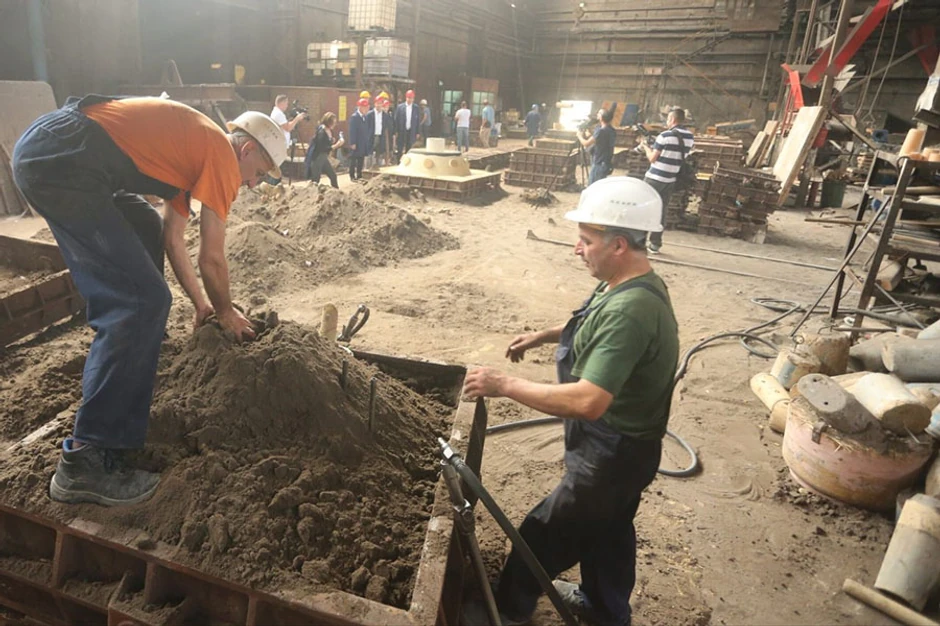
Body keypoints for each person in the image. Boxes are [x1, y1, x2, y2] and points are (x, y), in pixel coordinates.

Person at [12, 96, 283, 506]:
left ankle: (136, 345)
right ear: (246, 150)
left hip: (59, 148)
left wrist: (203, 306)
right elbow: (211, 258)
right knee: (142, 300)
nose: (253, 184)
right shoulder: (221, 156)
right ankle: (84, 461)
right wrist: (226, 311)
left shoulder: (195, 151)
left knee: (143, 224)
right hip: (64, 158)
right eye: (259, 173)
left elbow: (172, 239)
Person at [463, 176, 678, 626]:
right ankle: (604, 610)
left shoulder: (631, 310)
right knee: (608, 531)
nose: (576, 249)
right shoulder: (625, 283)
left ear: (619, 244)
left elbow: (587, 401)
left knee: (544, 532)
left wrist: (504, 384)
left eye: (586, 240)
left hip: (612, 453)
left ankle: (505, 611)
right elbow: (593, 323)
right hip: (628, 449)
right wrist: (545, 335)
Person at [640, 108, 693, 254]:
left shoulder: (664, 136)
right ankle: (655, 244)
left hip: (654, 178)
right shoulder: (689, 137)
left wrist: (646, 147)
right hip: (670, 179)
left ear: (673, 119)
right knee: (661, 210)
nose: (667, 122)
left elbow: (652, 158)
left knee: (645, 208)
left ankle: (639, 240)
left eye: (668, 119)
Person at [304, 111, 344, 188]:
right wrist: (336, 145)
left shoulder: (328, 130)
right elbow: (322, 148)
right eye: (333, 122)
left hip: (323, 158)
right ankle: (309, 193)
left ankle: (336, 192)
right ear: (328, 122)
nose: (334, 124)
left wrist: (331, 141)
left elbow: (326, 142)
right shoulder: (322, 132)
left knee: (333, 176)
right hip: (317, 157)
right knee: (315, 180)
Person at [579, 108, 617, 185]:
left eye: (599, 113)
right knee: (599, 185)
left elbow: (586, 143)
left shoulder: (601, 131)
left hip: (599, 163)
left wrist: (579, 135)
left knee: (593, 186)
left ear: (602, 117)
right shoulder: (611, 130)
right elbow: (601, 140)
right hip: (605, 162)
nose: (597, 114)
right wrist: (590, 134)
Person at [348, 97, 374, 181]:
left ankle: (359, 175)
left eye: (367, 107)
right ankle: (352, 175)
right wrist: (353, 142)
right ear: (360, 107)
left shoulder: (365, 117)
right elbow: (352, 131)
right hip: (356, 141)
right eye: (364, 107)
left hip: (363, 142)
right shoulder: (354, 117)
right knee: (353, 159)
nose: (366, 109)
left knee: (361, 158)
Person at [368, 96, 394, 168]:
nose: (378, 105)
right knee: (370, 153)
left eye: (380, 103)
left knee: (379, 153)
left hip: (381, 136)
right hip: (371, 136)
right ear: (375, 104)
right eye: (377, 103)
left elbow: (387, 127)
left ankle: (377, 167)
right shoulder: (370, 114)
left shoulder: (385, 115)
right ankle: (368, 167)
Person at [395, 89, 420, 160]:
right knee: (400, 147)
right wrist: (396, 131)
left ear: (413, 99)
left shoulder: (416, 108)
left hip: (411, 130)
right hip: (401, 130)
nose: (410, 100)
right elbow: (396, 119)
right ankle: (399, 161)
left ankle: (407, 161)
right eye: (408, 98)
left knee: (409, 147)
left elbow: (418, 120)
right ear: (406, 98)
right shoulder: (400, 107)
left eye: (411, 98)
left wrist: (418, 132)